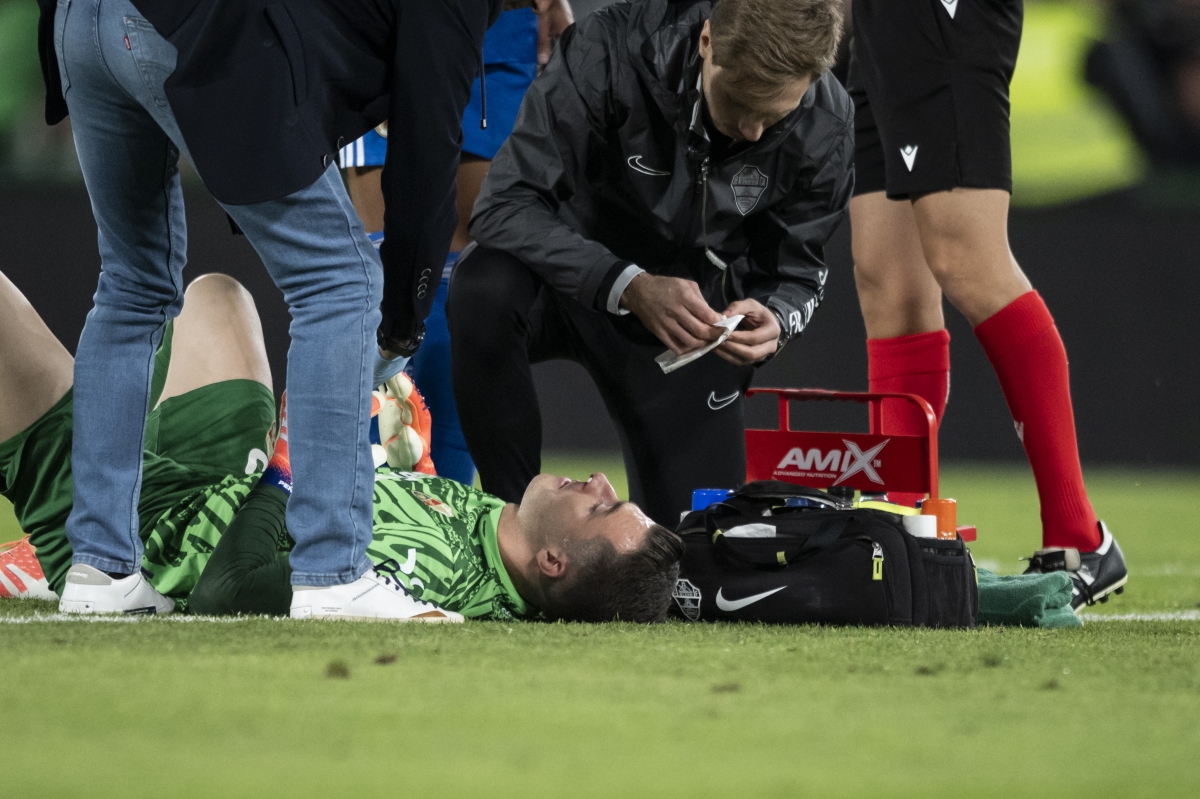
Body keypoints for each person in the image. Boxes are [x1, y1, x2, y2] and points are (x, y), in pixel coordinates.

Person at [34, 0, 503, 616]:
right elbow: (427, 148)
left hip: (78, 21)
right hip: (177, 27)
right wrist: (403, 321)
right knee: (341, 282)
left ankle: (100, 569)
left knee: (131, 286)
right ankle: (332, 571)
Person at [0, 271, 683, 622]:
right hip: (227, 474)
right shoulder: (498, 526)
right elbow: (401, 501)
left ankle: (72, 517)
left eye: (602, 506)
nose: (597, 478)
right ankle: (107, 428)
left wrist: (298, 443)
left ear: (555, 561)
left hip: (154, 532)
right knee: (220, 296)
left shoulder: (438, 596)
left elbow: (228, 587)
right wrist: (398, 442)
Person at [449, 0, 854, 525]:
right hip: (566, 288)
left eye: (775, 114)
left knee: (695, 578)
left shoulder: (828, 121)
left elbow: (798, 272)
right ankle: (517, 523)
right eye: (738, 101)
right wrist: (628, 282)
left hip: (685, 333)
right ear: (707, 41)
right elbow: (502, 206)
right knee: (482, 283)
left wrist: (778, 315)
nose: (752, 131)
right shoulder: (610, 50)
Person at [845, 0, 1128, 606]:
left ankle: (1080, 537)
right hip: (878, 22)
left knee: (966, 256)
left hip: (939, 14)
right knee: (887, 281)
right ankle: (907, 533)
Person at [340, 0, 575, 485]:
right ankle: (366, 501)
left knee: (474, 255)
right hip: (388, 24)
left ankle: (445, 503)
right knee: (387, 254)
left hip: (501, 28)